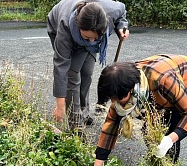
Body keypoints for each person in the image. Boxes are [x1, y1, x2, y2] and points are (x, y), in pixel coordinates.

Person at [84, 54, 187, 166]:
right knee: (149, 131)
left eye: (118, 99)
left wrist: (169, 139)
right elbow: (109, 129)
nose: (115, 103)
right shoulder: (121, 88)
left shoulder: (162, 80)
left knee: (169, 127)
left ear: (132, 90)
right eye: (113, 99)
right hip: (166, 86)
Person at [47, 0, 129, 130]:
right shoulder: (65, 27)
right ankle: (76, 123)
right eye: (87, 37)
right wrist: (60, 105)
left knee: (87, 72)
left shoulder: (111, 10)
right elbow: (61, 67)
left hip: (88, 33)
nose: (91, 41)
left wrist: (121, 26)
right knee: (72, 75)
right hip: (61, 27)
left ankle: (84, 112)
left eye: (95, 37)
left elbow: (122, 14)